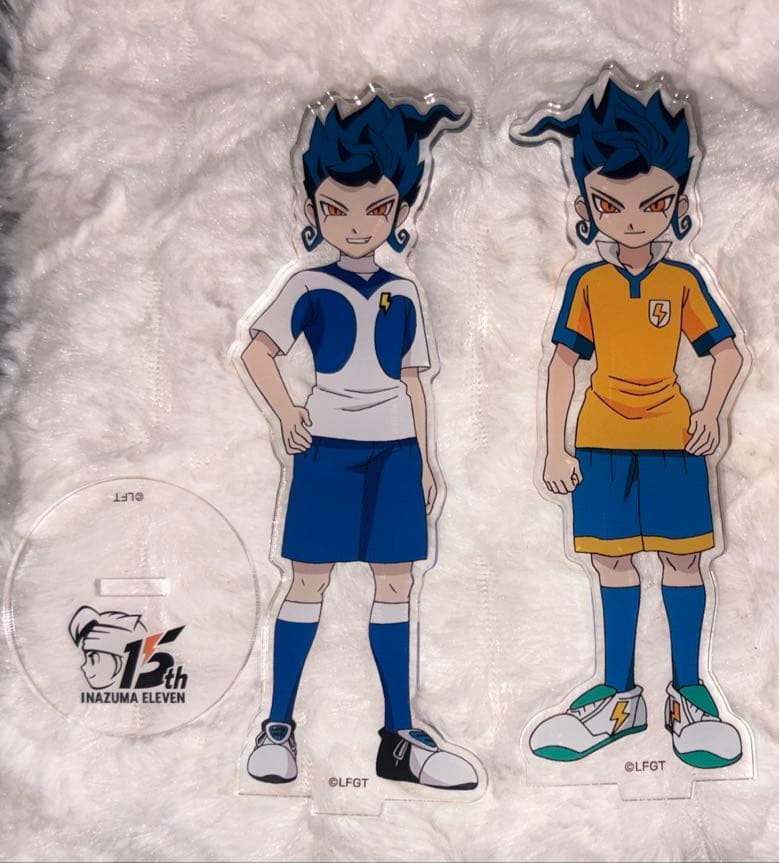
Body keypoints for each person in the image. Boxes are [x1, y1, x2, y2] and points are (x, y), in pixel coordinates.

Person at [240, 93, 476, 790]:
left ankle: (399, 736)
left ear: (399, 210)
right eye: (335, 208)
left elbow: (415, 381)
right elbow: (256, 351)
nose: (355, 224)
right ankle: (277, 725)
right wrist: (287, 411)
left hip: (395, 451)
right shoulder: (308, 285)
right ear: (312, 209)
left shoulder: (405, 292)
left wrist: (426, 460)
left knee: (396, 582)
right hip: (328, 451)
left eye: (375, 209)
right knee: (307, 579)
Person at [513, 76, 745, 768]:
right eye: (611, 204)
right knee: (611, 563)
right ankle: (619, 695)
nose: (634, 219)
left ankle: (689, 694)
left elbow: (728, 353)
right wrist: (555, 447)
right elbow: (561, 364)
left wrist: (710, 411)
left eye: (654, 202)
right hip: (602, 443)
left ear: (678, 202)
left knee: (683, 559)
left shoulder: (682, 282)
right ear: (587, 206)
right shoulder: (588, 283)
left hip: (675, 442)